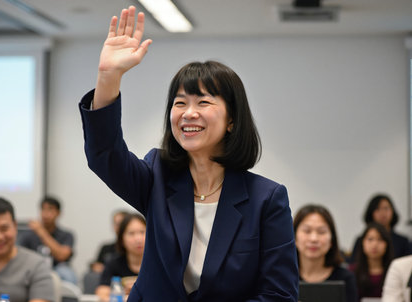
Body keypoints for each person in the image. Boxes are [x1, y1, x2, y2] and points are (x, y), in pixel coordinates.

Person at [79, 5, 298, 302]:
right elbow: (104, 154)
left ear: (232, 119)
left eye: (203, 102)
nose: (188, 114)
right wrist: (108, 77)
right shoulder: (156, 174)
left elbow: (279, 295)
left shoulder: (266, 199)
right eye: (180, 103)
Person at [294, 204, 358, 302]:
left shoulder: (345, 278)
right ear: (294, 237)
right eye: (307, 231)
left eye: (321, 232)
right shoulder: (282, 277)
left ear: (332, 239)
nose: (313, 239)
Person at [18, 196, 77, 284]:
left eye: (50, 209)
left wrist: (41, 232)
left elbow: (62, 256)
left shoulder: (67, 235)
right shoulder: (28, 235)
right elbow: (20, 256)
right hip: (34, 268)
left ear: (58, 213)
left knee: (67, 273)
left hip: (57, 269)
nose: (46, 214)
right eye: (43, 209)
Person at [96, 213, 146, 301]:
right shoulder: (113, 262)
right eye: (131, 233)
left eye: (142, 232)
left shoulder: (159, 263)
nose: (138, 239)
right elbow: (102, 292)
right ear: (121, 239)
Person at [350, 194, 411, 262]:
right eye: (377, 209)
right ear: (371, 212)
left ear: (392, 212)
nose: (383, 213)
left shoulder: (403, 241)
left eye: (386, 208)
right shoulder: (361, 240)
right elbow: (353, 264)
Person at [350, 223, 394, 300]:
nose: (374, 244)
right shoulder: (351, 271)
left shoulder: (394, 271)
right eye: (370, 239)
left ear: (387, 244)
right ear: (362, 243)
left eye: (380, 239)